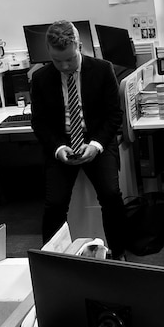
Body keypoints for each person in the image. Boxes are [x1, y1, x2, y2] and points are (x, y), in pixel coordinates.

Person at [30, 20, 127, 258]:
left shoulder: (103, 70)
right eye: (56, 60)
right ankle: (51, 258)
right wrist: (58, 148)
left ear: (80, 47)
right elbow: (39, 123)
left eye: (70, 59)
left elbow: (114, 115)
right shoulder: (41, 78)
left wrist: (95, 145)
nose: (64, 66)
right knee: (55, 204)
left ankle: (119, 252)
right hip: (62, 144)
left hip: (96, 140)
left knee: (111, 195)